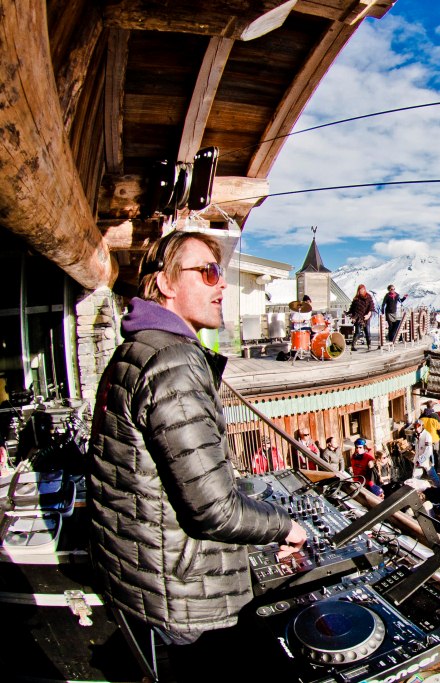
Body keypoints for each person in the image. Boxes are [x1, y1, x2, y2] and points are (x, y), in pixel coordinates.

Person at [88, 231, 306, 680]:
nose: (220, 284)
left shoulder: (133, 350)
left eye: (220, 273)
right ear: (166, 284)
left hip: (152, 580)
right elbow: (215, 510)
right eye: (207, 272)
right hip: (192, 595)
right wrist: (285, 525)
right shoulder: (172, 363)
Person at [347, 284, 376, 351]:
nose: (361, 291)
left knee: (367, 331)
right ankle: (353, 346)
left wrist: (368, 315)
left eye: (362, 289)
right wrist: (352, 316)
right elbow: (353, 308)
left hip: (366, 317)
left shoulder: (368, 297)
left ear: (364, 289)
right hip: (358, 317)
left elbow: (371, 307)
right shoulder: (356, 298)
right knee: (358, 331)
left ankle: (369, 345)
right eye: (360, 290)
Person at [412, 420, 440, 487]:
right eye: (415, 426)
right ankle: (415, 492)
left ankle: (438, 489)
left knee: (433, 476)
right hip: (418, 459)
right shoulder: (416, 435)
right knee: (415, 478)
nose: (417, 428)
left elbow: (428, 451)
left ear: (422, 426)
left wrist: (420, 460)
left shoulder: (427, 435)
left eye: (418, 426)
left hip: (427, 460)